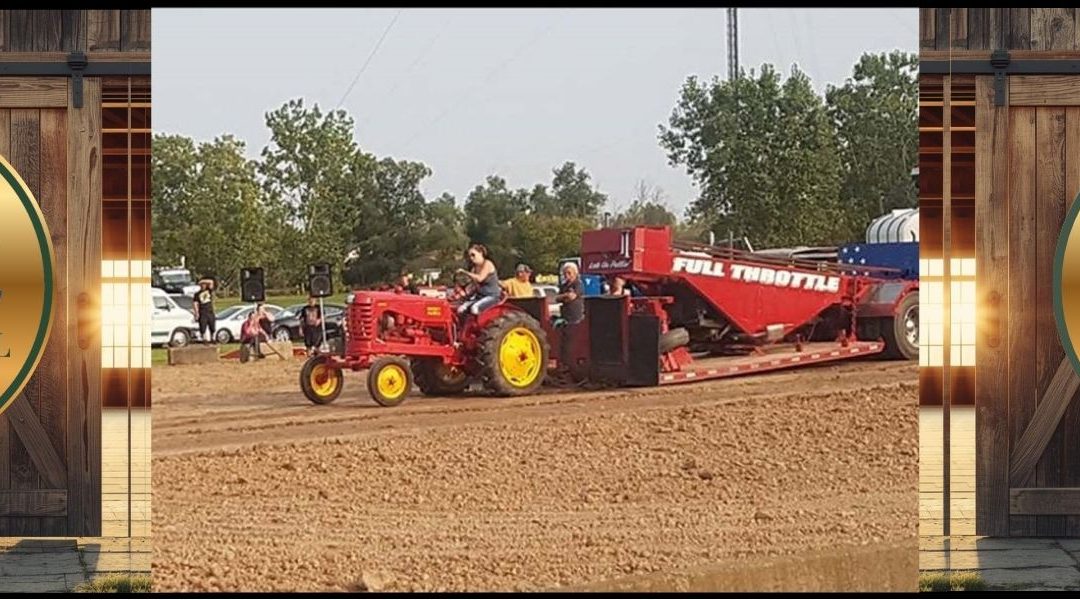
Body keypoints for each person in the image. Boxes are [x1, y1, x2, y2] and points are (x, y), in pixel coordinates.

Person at [455, 243, 501, 318]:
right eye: (469, 256)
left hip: (491, 296)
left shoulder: (488, 264)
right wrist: (463, 294)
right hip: (480, 296)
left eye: (473, 255)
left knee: (474, 308)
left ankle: (476, 328)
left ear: (480, 253)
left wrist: (464, 272)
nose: (471, 258)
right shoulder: (474, 269)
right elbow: (474, 285)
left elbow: (480, 278)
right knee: (460, 309)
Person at [192, 278, 216, 344]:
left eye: (204, 284)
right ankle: (204, 339)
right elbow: (195, 303)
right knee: (203, 326)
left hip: (210, 311)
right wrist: (196, 313)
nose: (203, 286)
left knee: (212, 326)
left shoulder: (209, 290)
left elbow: (211, 281)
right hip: (202, 312)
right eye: (202, 285)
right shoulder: (197, 294)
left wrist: (201, 281)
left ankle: (212, 338)